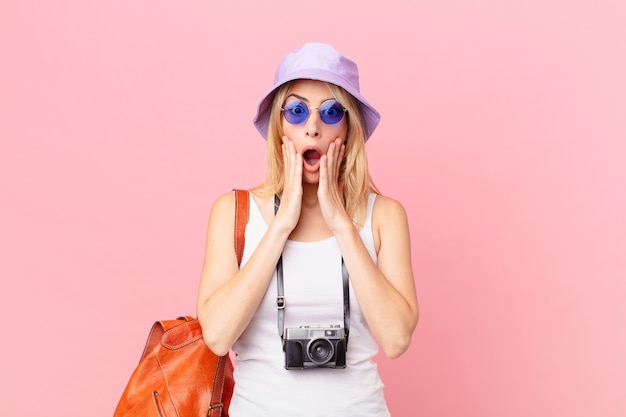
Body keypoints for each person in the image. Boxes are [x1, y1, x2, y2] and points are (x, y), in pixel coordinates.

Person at [197, 42, 418, 416]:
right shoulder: (234, 212)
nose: (312, 129)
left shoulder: (384, 216)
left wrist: (342, 226)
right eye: (297, 111)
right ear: (279, 126)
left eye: (331, 113)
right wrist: (281, 225)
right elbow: (218, 336)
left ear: (348, 131)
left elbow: (396, 339)